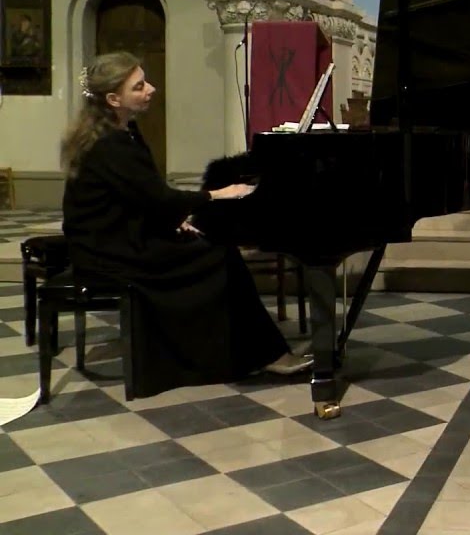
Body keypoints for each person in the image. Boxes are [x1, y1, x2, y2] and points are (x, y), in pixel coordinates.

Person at [60, 52, 311, 398]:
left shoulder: (122, 130)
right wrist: (218, 194)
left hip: (120, 236)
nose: (151, 88)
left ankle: (244, 352)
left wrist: (174, 219)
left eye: (145, 80)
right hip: (109, 250)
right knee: (219, 256)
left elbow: (139, 195)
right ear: (114, 99)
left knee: (216, 252)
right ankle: (250, 355)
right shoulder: (109, 144)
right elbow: (157, 197)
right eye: (139, 86)